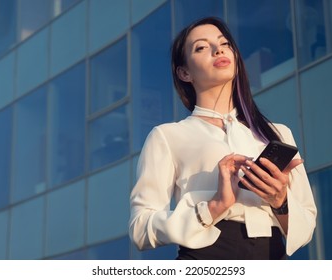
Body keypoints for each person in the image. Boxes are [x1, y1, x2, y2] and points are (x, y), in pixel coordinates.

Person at [129, 17, 317, 260]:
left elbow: (307, 224)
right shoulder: (167, 136)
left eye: (224, 44)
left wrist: (279, 200)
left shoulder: (278, 133)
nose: (218, 49)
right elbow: (140, 229)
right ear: (185, 72)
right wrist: (213, 206)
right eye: (201, 47)